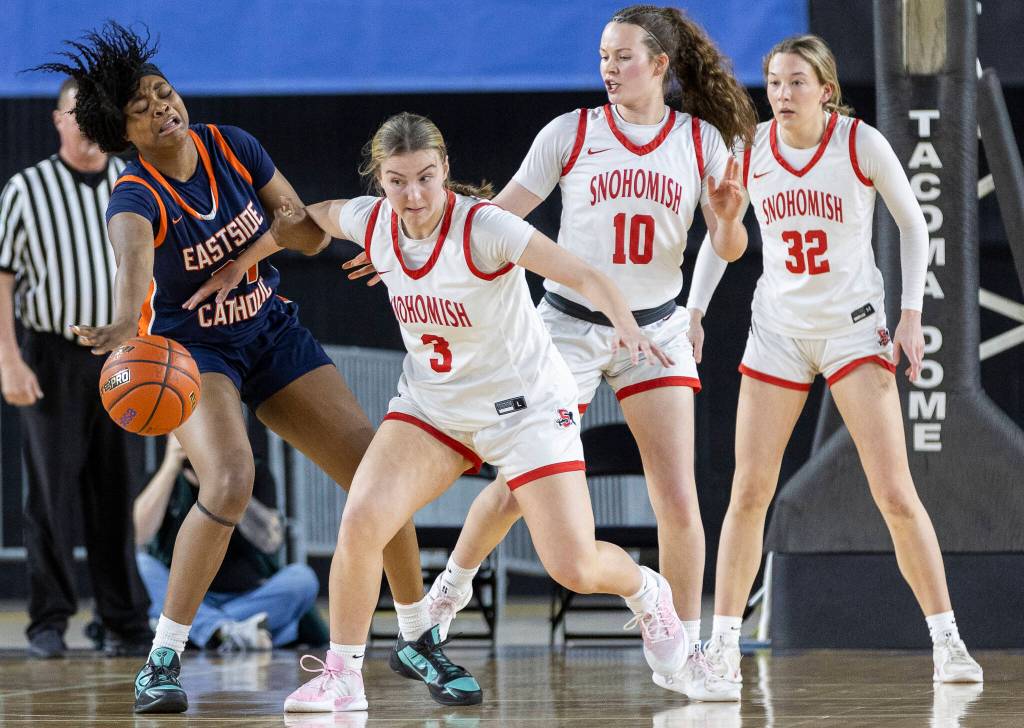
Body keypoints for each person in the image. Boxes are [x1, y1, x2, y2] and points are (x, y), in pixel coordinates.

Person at [212, 111, 692, 713]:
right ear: (379, 181)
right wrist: (242, 261)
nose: (413, 195)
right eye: (396, 181)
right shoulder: (372, 222)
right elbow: (313, 216)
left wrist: (625, 326)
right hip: (433, 409)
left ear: (446, 173)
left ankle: (648, 593)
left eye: (426, 178)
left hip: (526, 412)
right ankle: (343, 677)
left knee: (574, 566)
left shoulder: (486, 227)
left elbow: (584, 275)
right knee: (361, 521)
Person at [33, 22, 450, 714]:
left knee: (379, 476)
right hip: (197, 354)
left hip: (269, 331)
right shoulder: (133, 196)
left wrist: (245, 258)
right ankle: (162, 657)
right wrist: (117, 322)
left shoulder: (233, 145)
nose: (164, 107)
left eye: (165, 93)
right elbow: (136, 265)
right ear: (122, 131)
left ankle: (416, 636)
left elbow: (309, 231)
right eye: (143, 107)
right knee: (229, 479)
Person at [343, 3, 756, 702]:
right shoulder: (572, 131)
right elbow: (494, 218)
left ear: (659, 65)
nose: (609, 68)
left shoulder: (700, 142)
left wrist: (726, 218)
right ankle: (452, 589)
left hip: (654, 328)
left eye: (623, 56)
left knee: (678, 495)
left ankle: (687, 649)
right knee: (516, 481)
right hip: (565, 326)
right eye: (602, 56)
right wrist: (411, 243)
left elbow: (731, 248)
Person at [683, 34, 983, 698]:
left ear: (826, 90)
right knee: (748, 493)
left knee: (896, 495)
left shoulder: (859, 144)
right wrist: (696, 309)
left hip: (853, 333)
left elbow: (914, 223)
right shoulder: (750, 148)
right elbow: (724, 240)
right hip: (780, 333)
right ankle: (723, 648)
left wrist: (910, 313)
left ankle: (947, 640)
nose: (782, 94)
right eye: (774, 82)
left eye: (795, 82)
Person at [0, 77, 153, 659]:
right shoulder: (26, 187)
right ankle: (49, 620)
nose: (87, 123)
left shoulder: (130, 179)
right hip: (50, 353)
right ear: (58, 119)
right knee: (51, 493)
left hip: (123, 355)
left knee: (118, 488)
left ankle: (124, 620)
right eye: (76, 113)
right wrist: (8, 358)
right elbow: (3, 274)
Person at [134, 434, 328, 652]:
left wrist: (224, 488)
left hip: (247, 596)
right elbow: (138, 535)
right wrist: (170, 466)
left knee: (302, 579)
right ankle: (232, 631)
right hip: (183, 597)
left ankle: (208, 631)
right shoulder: (160, 478)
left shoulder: (256, 472)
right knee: (140, 565)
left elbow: (270, 542)